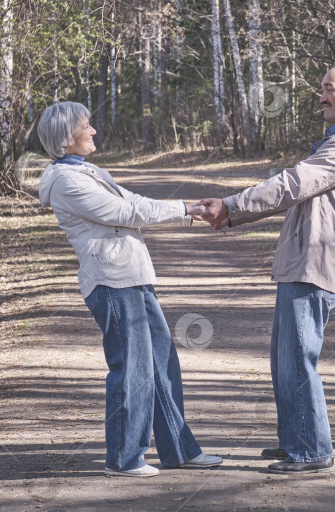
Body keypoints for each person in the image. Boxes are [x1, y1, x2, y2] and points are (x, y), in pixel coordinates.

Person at [198, 65, 335, 474]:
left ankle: (312, 451)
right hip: (301, 263)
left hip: (315, 264)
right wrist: (232, 217)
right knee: (286, 359)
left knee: (298, 359)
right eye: (321, 88)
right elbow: (291, 195)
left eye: (328, 89)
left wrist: (231, 205)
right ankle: (296, 440)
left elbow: (290, 184)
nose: (321, 96)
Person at [37, 101, 222, 477]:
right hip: (111, 281)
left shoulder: (85, 171)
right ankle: (124, 458)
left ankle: (178, 450)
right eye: (85, 127)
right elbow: (125, 214)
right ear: (64, 137)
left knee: (160, 363)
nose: (92, 132)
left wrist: (188, 210)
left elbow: (135, 202)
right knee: (132, 369)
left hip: (132, 277)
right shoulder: (66, 181)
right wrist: (187, 209)